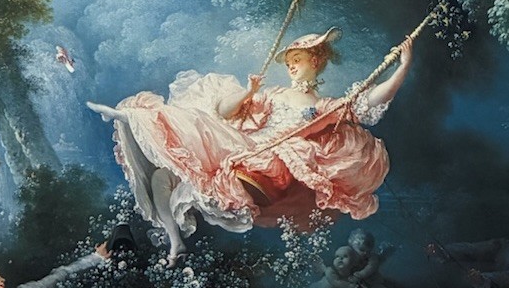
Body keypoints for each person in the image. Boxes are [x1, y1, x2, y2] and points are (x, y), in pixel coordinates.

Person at [88, 28, 413, 260]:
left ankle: (138, 119)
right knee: (164, 173)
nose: (290, 66)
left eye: (297, 59)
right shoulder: (273, 94)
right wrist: (249, 92)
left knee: (240, 163)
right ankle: (175, 240)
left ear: (315, 61)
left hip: (266, 158)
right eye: (288, 61)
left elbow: (367, 103)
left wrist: (402, 67)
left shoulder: (324, 106)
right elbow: (225, 112)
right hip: (241, 144)